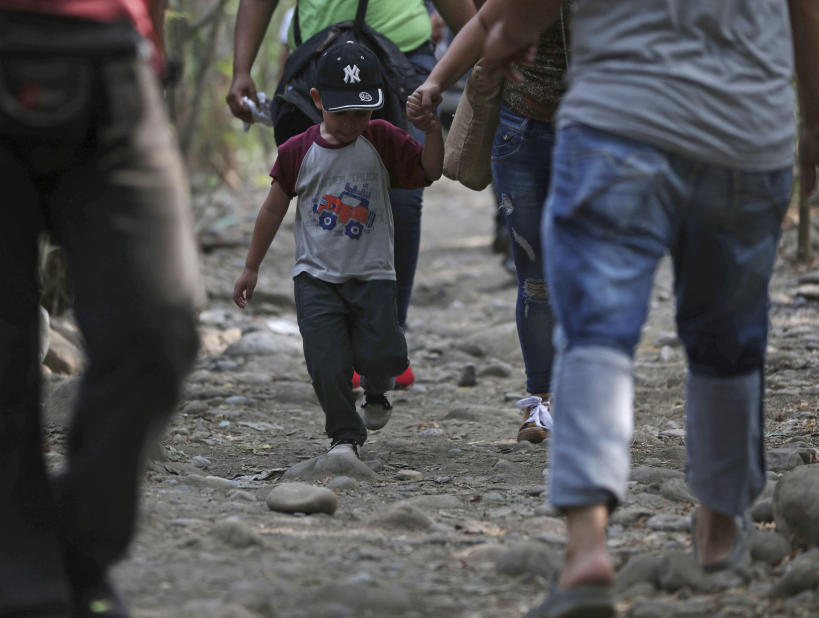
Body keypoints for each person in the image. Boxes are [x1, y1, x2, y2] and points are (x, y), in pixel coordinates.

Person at [480, 1, 819, 616]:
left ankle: (586, 549)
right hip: (743, 127)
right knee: (728, 337)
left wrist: (508, 34)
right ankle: (718, 529)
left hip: (616, 117)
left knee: (595, 330)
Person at [0, 1, 200, 616]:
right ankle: (16, 595)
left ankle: (75, 556)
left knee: (157, 328)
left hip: (110, 55)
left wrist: (148, 46)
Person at [227, 0, 475, 390]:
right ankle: (338, 330)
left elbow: (427, 171)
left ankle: (385, 337)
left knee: (404, 200)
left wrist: (486, 51)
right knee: (322, 188)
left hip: (404, 59)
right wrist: (242, 68)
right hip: (320, 55)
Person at [232, 41, 443, 456]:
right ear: (317, 100)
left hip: (375, 276)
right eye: (342, 114)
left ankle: (378, 386)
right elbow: (273, 209)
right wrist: (251, 267)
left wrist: (433, 130)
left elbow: (429, 171)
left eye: (362, 114)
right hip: (316, 279)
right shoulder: (297, 151)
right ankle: (345, 435)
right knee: (327, 365)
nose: (352, 125)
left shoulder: (381, 139)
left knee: (384, 353)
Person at [408, 0, 569, 443]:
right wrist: (435, 82)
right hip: (524, 129)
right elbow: (485, 21)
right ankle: (543, 400)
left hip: (599, 132)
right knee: (535, 278)